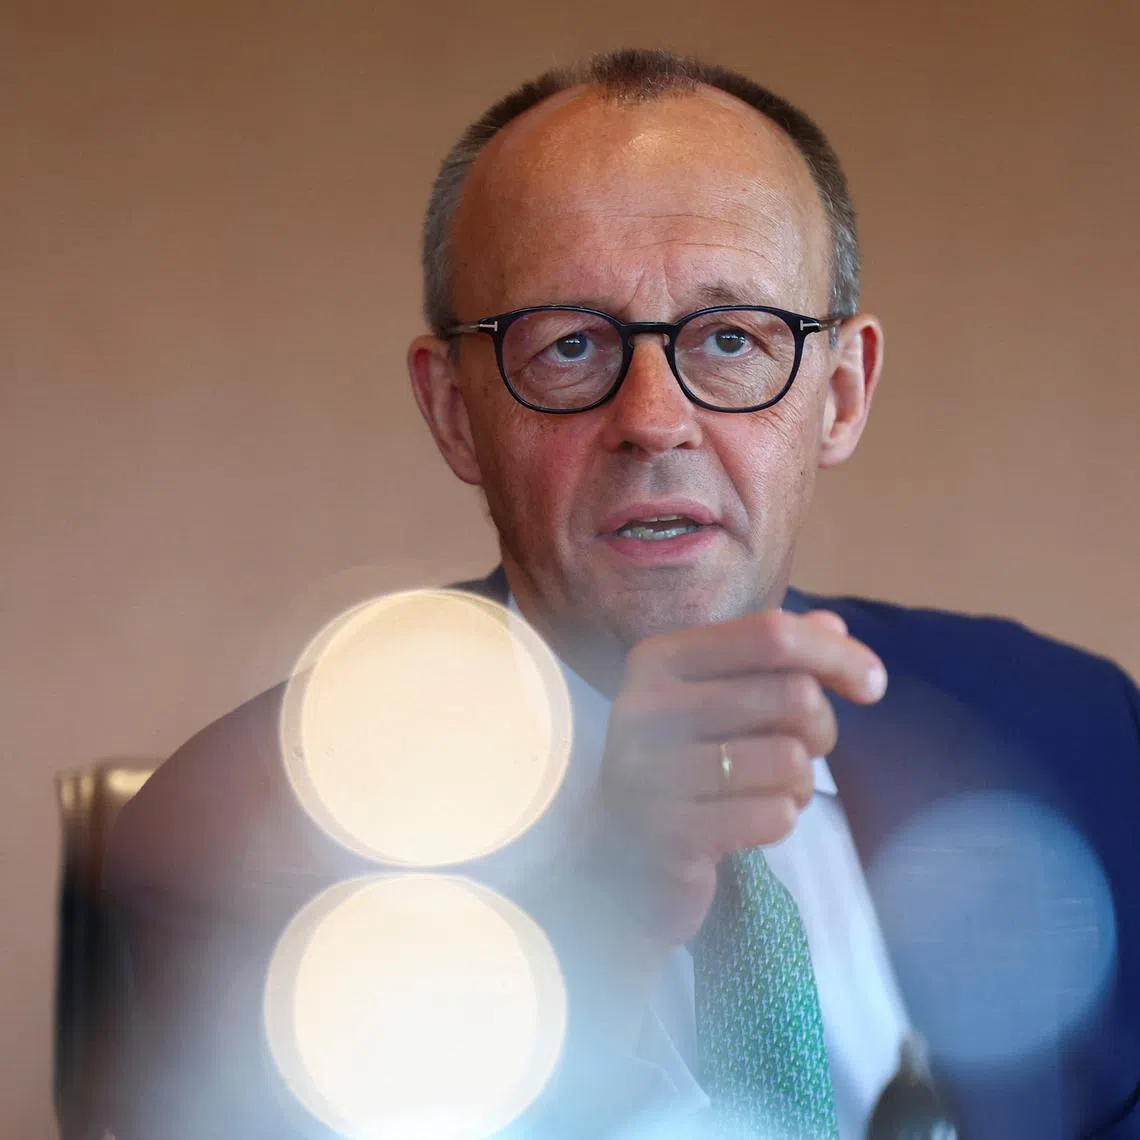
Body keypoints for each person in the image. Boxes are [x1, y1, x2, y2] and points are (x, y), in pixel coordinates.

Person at [103, 49, 1140, 1140]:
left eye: (734, 338)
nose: (654, 418)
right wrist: (594, 932)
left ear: (840, 395)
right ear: (455, 413)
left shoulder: (1081, 736)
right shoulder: (233, 836)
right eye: (569, 346)